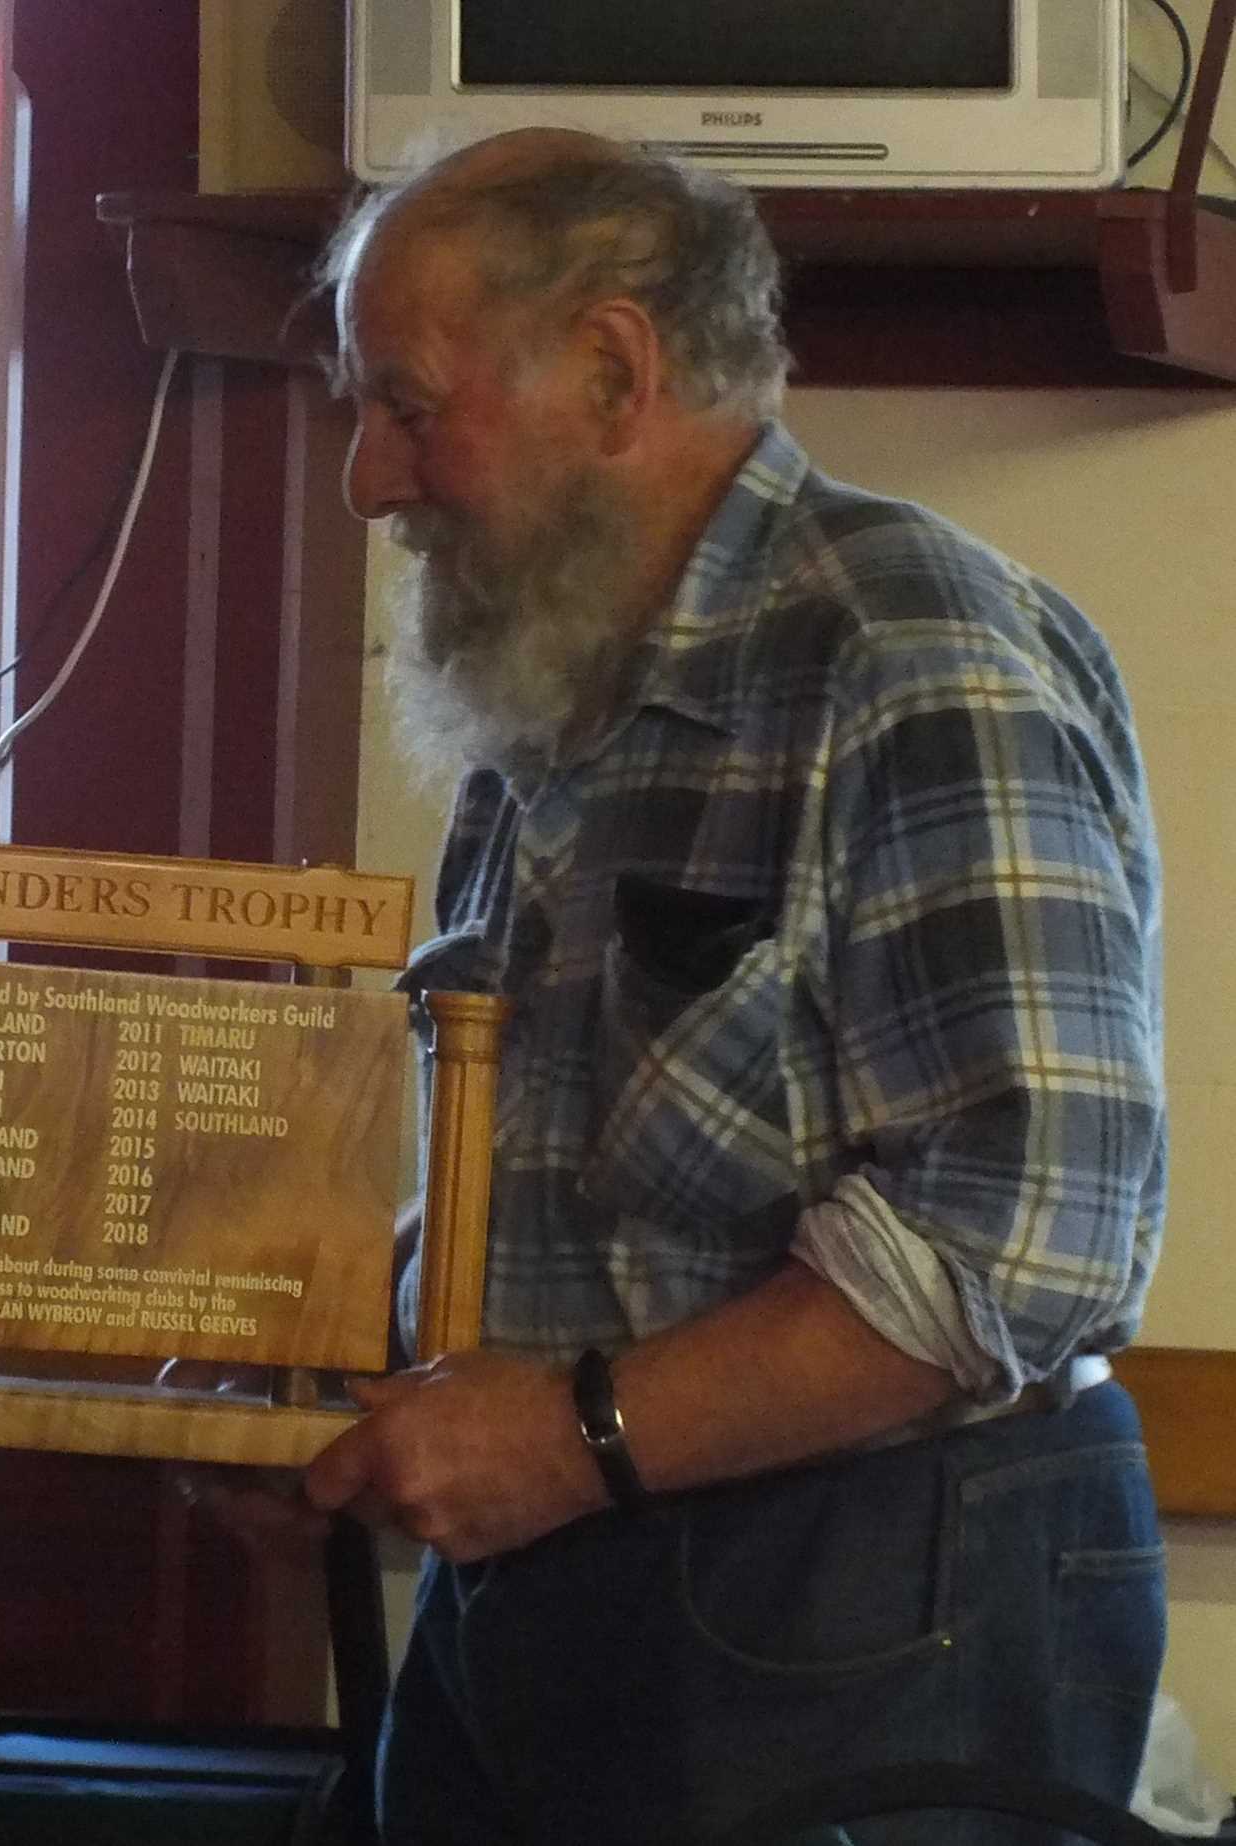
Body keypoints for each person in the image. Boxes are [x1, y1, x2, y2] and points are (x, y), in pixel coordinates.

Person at [296, 130, 1169, 1842]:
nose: (364, 481)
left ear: (612, 370)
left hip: (875, 1593)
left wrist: (558, 1436)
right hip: (579, 1592)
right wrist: (344, 1392)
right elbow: (581, 1200)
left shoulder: (909, 651)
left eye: (402, 403)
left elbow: (1023, 1233)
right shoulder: (552, 700)